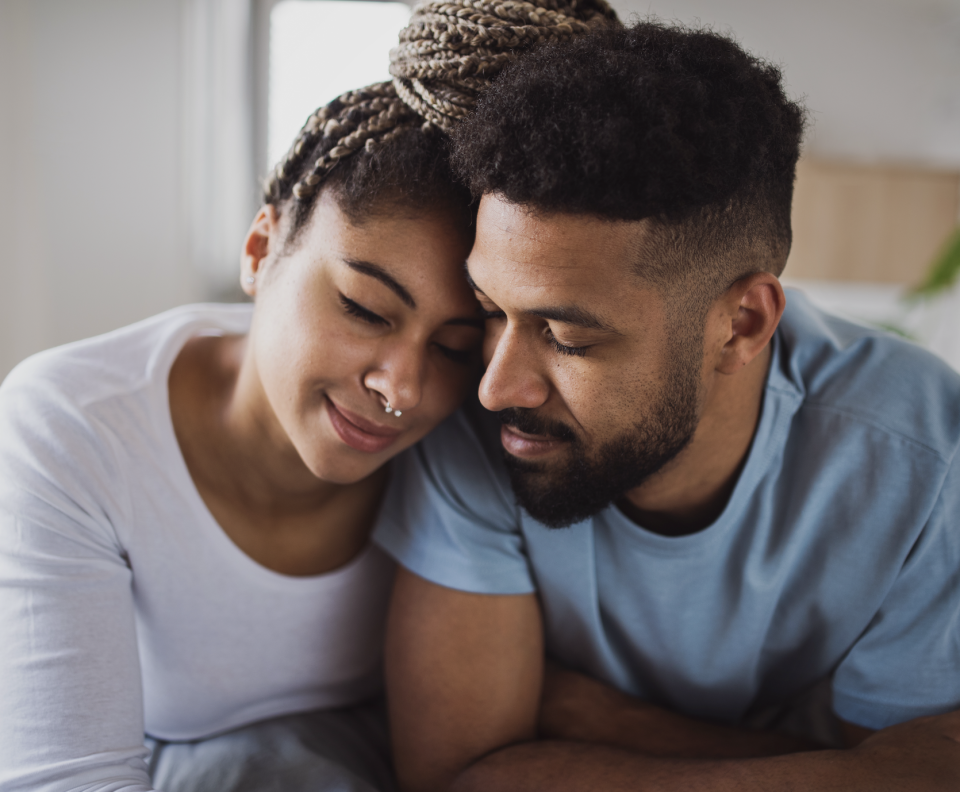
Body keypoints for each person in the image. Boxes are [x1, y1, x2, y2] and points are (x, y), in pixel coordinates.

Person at [0, 2, 618, 790]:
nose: (399, 388)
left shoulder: (486, 430)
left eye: (457, 347)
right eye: (363, 308)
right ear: (261, 248)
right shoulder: (74, 425)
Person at [375, 20, 960, 792]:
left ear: (740, 324)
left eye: (567, 336)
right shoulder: (477, 420)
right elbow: (460, 774)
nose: (497, 386)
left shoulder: (922, 458)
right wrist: (823, 762)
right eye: (491, 309)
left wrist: (590, 717)